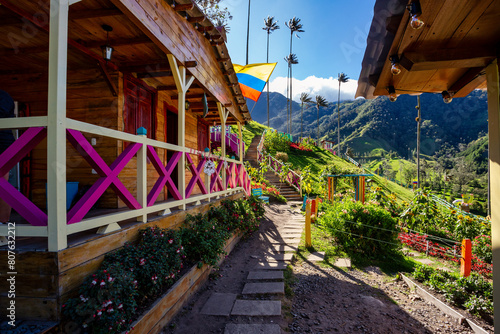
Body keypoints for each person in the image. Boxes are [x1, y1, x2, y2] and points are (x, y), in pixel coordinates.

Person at [0, 90, 15, 223]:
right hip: (4, 143)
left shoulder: (3, 96)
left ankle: (3, 223)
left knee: (2, 183)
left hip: (2, 144)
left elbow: (1, 112)